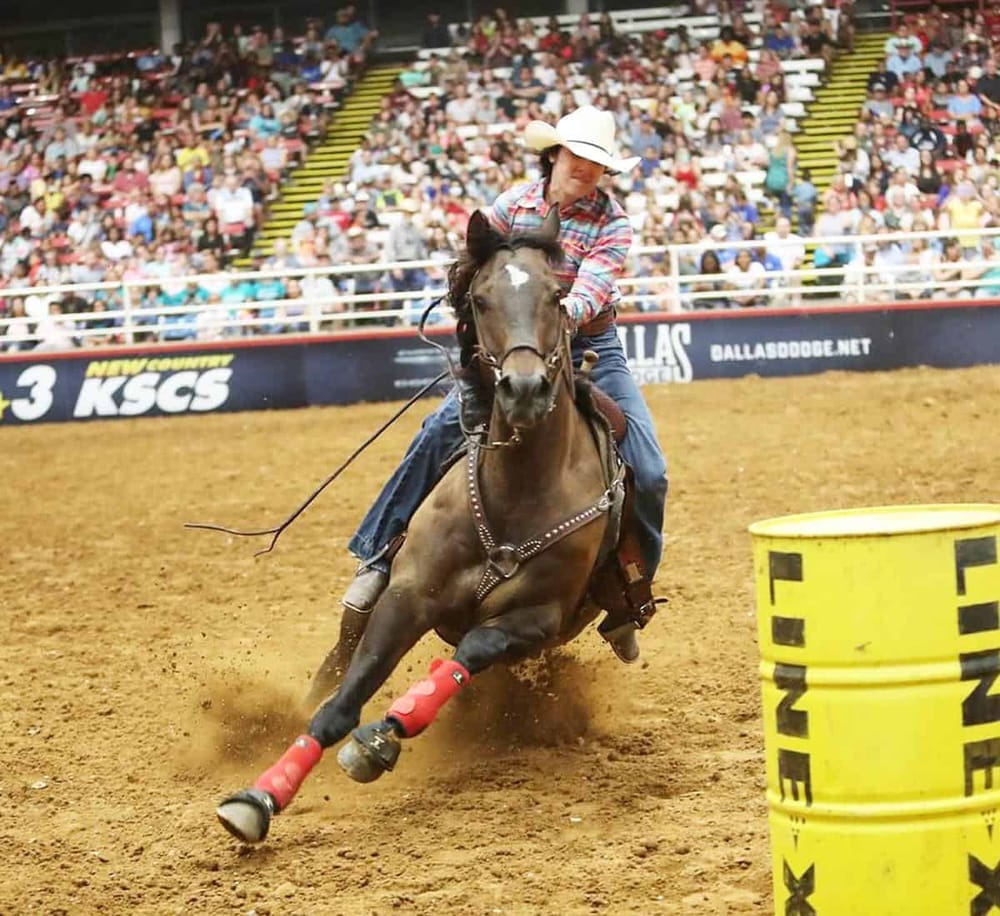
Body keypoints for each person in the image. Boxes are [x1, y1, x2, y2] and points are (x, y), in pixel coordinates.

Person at [339, 106, 669, 663]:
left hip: (588, 348)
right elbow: (477, 268)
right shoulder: (510, 206)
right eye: (577, 155)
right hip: (514, 350)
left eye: (596, 162)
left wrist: (550, 323)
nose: (585, 168)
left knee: (650, 471)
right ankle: (378, 556)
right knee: (437, 431)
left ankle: (628, 594)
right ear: (554, 154)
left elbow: (590, 290)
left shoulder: (612, 223)